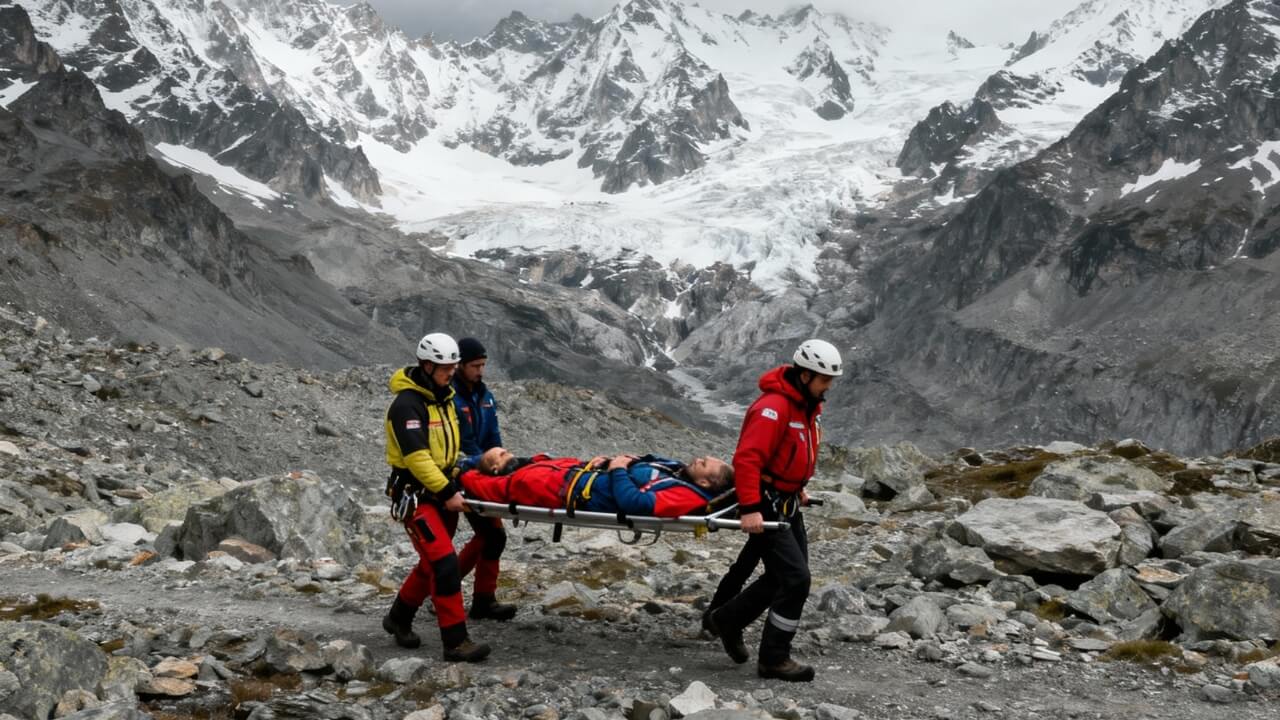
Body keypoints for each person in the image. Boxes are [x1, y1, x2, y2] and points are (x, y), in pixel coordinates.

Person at [704, 338, 843, 682]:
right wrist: (751, 507)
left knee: (785, 575)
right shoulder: (774, 407)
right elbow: (748, 459)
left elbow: (790, 455)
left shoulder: (806, 407)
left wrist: (799, 489)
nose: (829, 387)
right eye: (825, 379)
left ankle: (727, 620)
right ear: (805, 375)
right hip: (765, 502)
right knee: (796, 578)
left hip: (786, 500)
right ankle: (774, 658)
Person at [381, 332, 490, 663]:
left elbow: (448, 450)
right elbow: (417, 457)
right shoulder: (407, 406)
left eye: (454, 367)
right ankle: (455, 642)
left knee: (433, 562)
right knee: (444, 564)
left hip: (439, 491)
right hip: (417, 497)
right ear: (427, 366)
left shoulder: (444, 397)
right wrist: (448, 492)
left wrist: (461, 477)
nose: (451, 373)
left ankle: (398, 617)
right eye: (445, 368)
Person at [449, 337, 516, 623]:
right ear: (460, 365)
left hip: (485, 472)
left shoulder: (485, 396)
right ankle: (444, 589)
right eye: (475, 365)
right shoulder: (449, 397)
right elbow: (460, 443)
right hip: (459, 473)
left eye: (483, 365)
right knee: (491, 535)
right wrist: (484, 463)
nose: (480, 371)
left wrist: (500, 461)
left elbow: (493, 437)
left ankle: (483, 601)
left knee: (493, 537)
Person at [460, 448, 733, 517]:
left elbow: (635, 503)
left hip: (565, 489)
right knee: (523, 461)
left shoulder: (688, 496)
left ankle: (460, 474)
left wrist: (617, 469)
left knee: (508, 485)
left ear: (707, 483)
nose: (698, 459)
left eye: (704, 464)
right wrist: (615, 461)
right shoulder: (678, 471)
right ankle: (471, 462)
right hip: (578, 473)